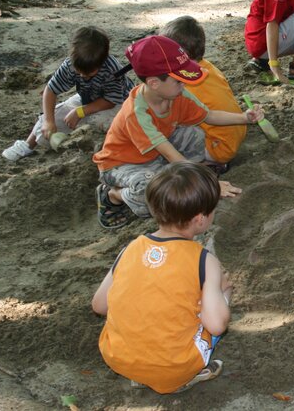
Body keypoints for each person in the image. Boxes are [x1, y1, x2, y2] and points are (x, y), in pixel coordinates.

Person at [93, 35, 265, 228]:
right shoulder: (137, 114)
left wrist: (244, 118)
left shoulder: (177, 94)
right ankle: (112, 195)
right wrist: (209, 185)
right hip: (122, 164)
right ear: (154, 83)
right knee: (154, 193)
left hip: (157, 153)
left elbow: (208, 116)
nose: (184, 84)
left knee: (196, 136)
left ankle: (177, 173)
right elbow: (171, 155)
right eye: (178, 81)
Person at [92, 162, 233, 394]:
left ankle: (140, 372)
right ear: (201, 219)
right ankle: (182, 379)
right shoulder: (204, 260)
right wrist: (224, 292)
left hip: (116, 357)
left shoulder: (131, 248)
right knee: (216, 307)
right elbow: (217, 325)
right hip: (171, 367)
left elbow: (99, 305)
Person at [2, 26, 133, 161]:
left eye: (89, 73)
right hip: (87, 98)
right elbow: (51, 90)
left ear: (102, 61)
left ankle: (97, 151)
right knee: (48, 124)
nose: (83, 76)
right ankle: (28, 145)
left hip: (118, 103)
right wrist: (49, 121)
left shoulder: (112, 69)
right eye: (79, 72)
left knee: (97, 123)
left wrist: (79, 112)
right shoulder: (70, 64)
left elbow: (110, 100)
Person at [161, 16, 246, 174]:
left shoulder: (185, 81)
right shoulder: (207, 67)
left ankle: (206, 164)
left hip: (218, 147)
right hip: (234, 136)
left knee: (168, 130)